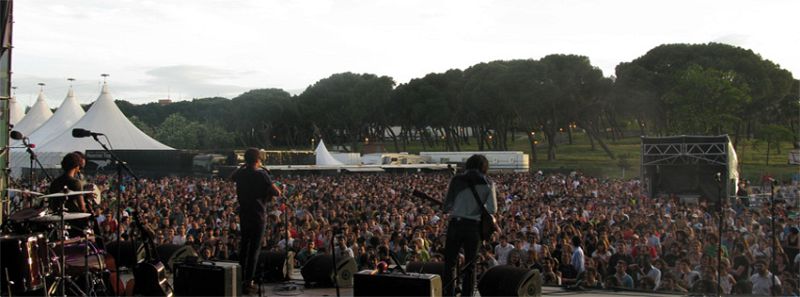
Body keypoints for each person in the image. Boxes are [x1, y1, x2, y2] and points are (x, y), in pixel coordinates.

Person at [442, 154, 497, 297]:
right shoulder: (488, 182)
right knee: (470, 265)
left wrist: (459, 206)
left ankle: (449, 293)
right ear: (484, 166)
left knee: (450, 263)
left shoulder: (456, 179)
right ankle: (467, 295)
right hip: (474, 226)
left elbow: (446, 206)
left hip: (455, 224)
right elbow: (492, 209)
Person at [231, 148, 281, 294]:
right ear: (258, 160)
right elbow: (277, 192)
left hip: (244, 215)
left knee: (244, 247)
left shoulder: (240, 173)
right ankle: (249, 282)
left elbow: (231, 177)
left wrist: (243, 166)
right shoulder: (262, 174)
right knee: (254, 250)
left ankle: (239, 279)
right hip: (258, 216)